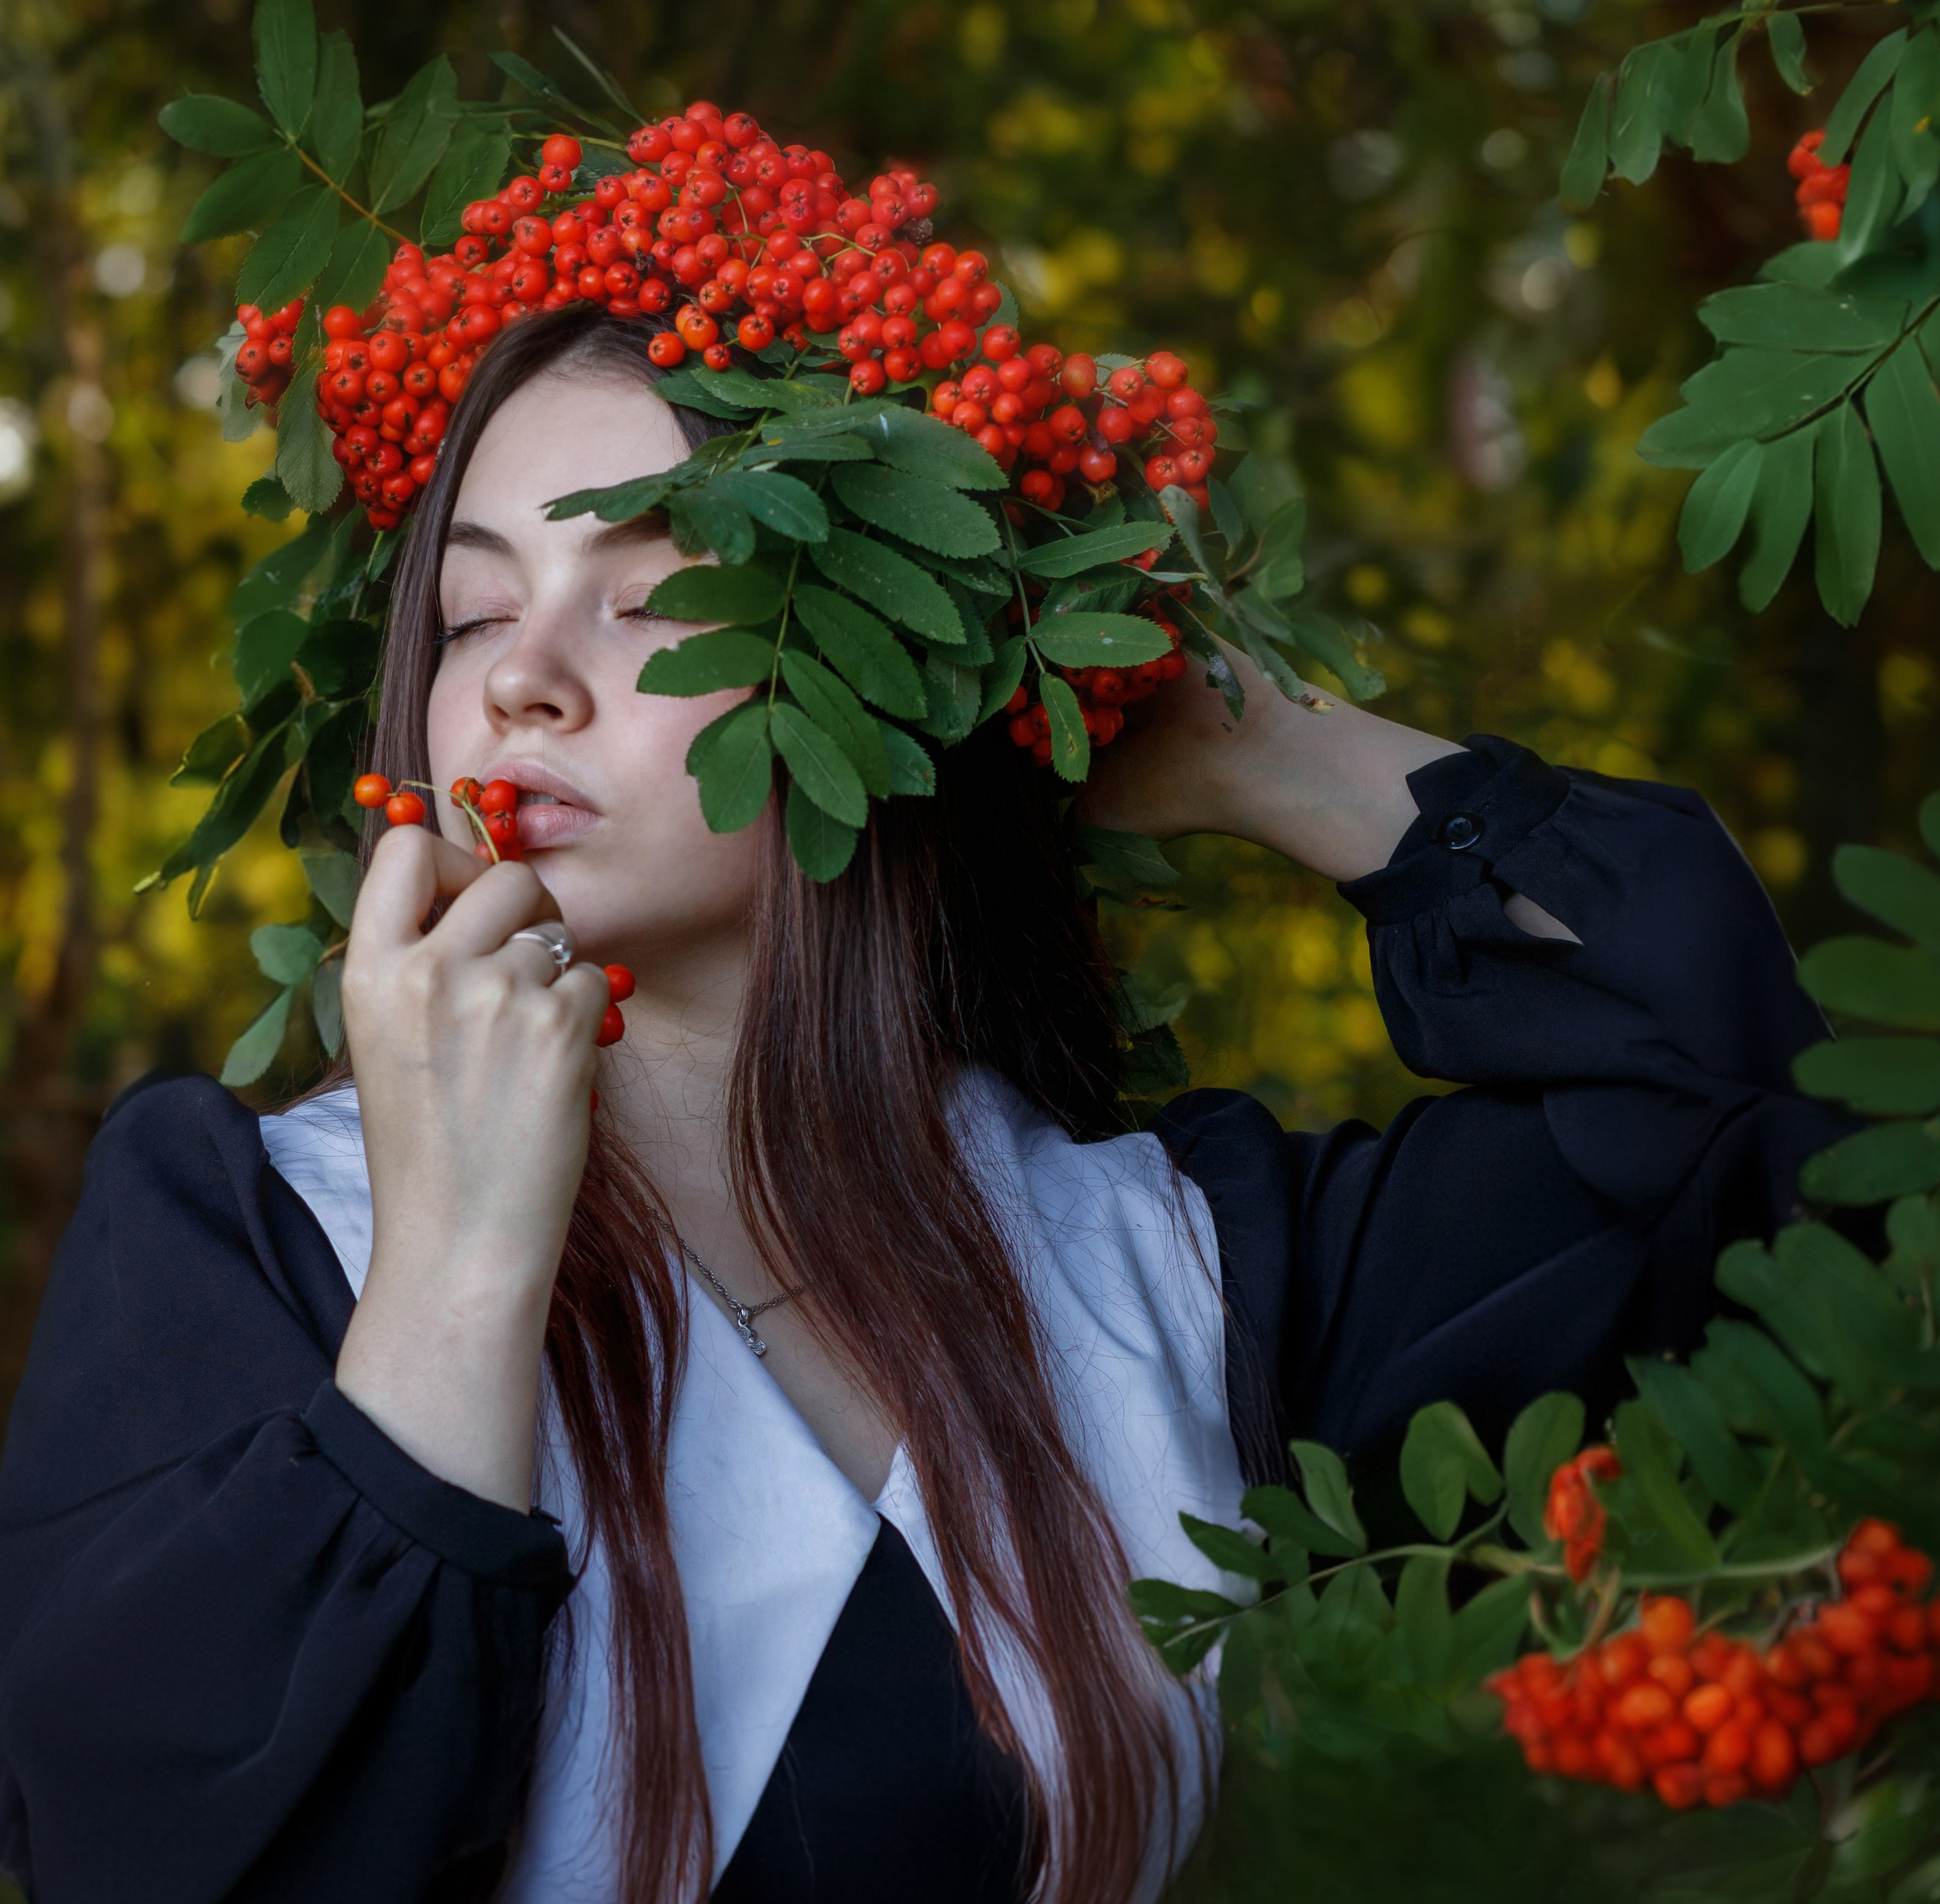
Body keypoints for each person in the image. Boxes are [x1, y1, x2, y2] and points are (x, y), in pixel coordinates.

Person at [0, 306, 1840, 1904]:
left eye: (645, 594)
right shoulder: (252, 1237)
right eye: (473, 607)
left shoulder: (1171, 1262)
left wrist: (1249, 741)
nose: (523, 679)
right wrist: (458, 1270)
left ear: (867, 671)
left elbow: (1702, 1088)